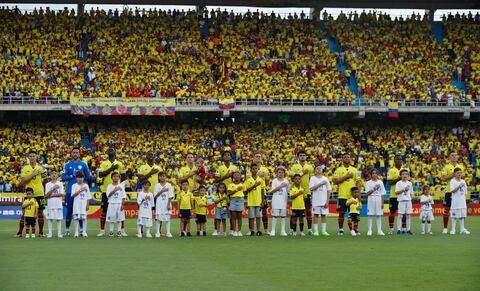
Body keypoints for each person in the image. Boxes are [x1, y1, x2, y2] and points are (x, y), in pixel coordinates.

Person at [16, 150, 46, 237]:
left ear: (36, 157)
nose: (32, 157)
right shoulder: (25, 168)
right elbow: (22, 182)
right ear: (28, 158)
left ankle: (40, 232)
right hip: (29, 194)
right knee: (24, 213)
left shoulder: (40, 168)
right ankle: (20, 232)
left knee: (40, 213)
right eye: (31, 156)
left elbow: (45, 179)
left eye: (34, 156)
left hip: (39, 193)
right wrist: (32, 175)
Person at [97, 148, 127, 237]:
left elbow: (124, 176)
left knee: (120, 210)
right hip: (106, 190)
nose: (110, 152)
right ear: (107, 153)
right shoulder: (103, 163)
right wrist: (111, 169)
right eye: (109, 151)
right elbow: (100, 175)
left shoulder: (120, 163)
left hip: (118, 190)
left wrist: (121, 187)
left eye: (112, 150)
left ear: (115, 152)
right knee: (104, 210)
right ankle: (102, 230)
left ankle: (122, 230)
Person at [61, 146, 90, 237]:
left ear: (79, 154)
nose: (75, 154)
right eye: (74, 152)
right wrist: (72, 176)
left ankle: (81, 230)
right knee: (69, 211)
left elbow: (88, 176)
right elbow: (63, 177)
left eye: (77, 152)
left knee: (81, 211)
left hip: (81, 192)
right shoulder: (67, 164)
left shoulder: (84, 164)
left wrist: (81, 177)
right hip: (70, 191)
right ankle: (67, 230)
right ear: (71, 154)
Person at [333, 154, 358, 236]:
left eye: (348, 157)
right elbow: (335, 182)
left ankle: (354, 230)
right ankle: (341, 229)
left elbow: (358, 182)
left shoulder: (354, 170)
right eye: (345, 157)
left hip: (352, 196)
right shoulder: (338, 170)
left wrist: (358, 193)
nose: (347, 158)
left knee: (353, 213)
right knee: (341, 213)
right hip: (342, 195)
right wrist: (346, 176)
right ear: (342, 159)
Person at [290, 150, 314, 235]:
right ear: (298, 157)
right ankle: (292, 229)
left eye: (304, 155)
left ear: (306, 157)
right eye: (301, 155)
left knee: (308, 211)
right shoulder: (294, 166)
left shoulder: (310, 167)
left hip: (306, 192)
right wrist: (302, 173)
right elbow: (293, 178)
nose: (303, 156)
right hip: (296, 191)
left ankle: (309, 229)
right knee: (294, 212)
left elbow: (311, 179)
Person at [441, 152, 464, 234]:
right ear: (449, 157)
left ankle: (461, 228)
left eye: (455, 155)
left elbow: (462, 178)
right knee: (447, 209)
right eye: (452, 155)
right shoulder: (446, 167)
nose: (454, 157)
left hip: (459, 192)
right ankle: (445, 228)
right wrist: (453, 174)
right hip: (449, 191)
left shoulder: (461, 166)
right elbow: (443, 178)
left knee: (461, 209)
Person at [216, 151, 239, 235]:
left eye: (228, 155)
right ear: (223, 157)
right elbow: (216, 180)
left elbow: (238, 179)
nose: (226, 156)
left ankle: (232, 230)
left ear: (231, 157)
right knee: (219, 211)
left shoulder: (235, 168)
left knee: (232, 212)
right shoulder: (219, 167)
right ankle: (217, 230)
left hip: (232, 192)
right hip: (221, 191)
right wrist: (226, 176)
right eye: (225, 155)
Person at [250, 152, 270, 235]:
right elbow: (248, 180)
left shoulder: (265, 169)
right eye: (256, 157)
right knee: (251, 212)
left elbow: (267, 182)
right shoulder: (249, 169)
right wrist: (258, 174)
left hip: (262, 192)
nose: (258, 158)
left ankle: (265, 230)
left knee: (264, 211)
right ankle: (250, 230)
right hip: (251, 193)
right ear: (253, 158)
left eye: (259, 157)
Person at [309, 165, 331, 236]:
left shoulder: (326, 179)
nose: (318, 170)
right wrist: (320, 184)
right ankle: (316, 231)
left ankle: (324, 231)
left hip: (324, 201)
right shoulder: (312, 178)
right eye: (317, 169)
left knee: (324, 215)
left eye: (320, 169)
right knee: (315, 215)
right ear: (314, 170)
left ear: (322, 170)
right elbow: (311, 188)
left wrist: (327, 202)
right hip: (316, 200)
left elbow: (328, 191)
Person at [387, 155, 406, 235]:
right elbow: (389, 183)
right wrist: (399, 178)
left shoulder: (405, 170)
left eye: (401, 159)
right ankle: (391, 229)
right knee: (392, 212)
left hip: (402, 196)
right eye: (398, 159)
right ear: (394, 161)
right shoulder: (391, 170)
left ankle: (404, 228)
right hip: (393, 195)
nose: (400, 160)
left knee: (403, 212)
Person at [245, 164, 265, 236]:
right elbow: (246, 191)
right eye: (253, 168)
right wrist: (254, 185)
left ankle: (258, 230)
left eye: (256, 168)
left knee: (259, 217)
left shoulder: (261, 180)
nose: (254, 170)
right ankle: (252, 230)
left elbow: (262, 191)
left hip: (258, 201)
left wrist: (263, 201)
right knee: (251, 217)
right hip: (251, 201)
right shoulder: (248, 180)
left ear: (257, 170)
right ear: (250, 170)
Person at [269, 166, 289, 236]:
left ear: (284, 173)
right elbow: (273, 191)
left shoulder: (286, 181)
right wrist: (281, 186)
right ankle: (273, 230)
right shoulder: (274, 180)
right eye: (279, 172)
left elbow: (288, 191)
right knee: (275, 216)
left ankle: (283, 231)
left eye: (282, 172)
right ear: (277, 173)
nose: (281, 174)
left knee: (283, 216)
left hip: (283, 200)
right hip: (276, 200)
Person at [45, 169, 65, 238]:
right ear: (50, 175)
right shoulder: (47, 184)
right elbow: (47, 195)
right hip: (50, 204)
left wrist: (52, 195)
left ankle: (59, 233)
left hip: (58, 204)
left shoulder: (60, 183)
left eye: (55, 173)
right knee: (50, 219)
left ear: (57, 175)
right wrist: (53, 188)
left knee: (59, 219)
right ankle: (50, 233)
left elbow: (62, 194)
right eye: (52, 173)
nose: (53, 175)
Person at [365, 169, 386, 236]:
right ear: (371, 175)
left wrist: (382, 203)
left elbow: (382, 193)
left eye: (375, 173)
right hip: (371, 198)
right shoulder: (368, 183)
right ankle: (369, 230)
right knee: (370, 215)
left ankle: (379, 230)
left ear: (377, 174)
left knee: (378, 215)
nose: (374, 174)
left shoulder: (380, 182)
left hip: (378, 199)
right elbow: (367, 193)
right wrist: (374, 188)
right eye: (373, 173)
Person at [449, 168, 470, 235]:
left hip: (462, 202)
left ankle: (462, 229)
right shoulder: (452, 181)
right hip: (455, 202)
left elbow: (465, 192)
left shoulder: (463, 181)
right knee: (454, 216)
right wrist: (459, 186)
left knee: (462, 216)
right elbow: (452, 191)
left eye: (460, 173)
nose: (459, 174)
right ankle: (453, 230)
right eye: (458, 173)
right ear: (454, 173)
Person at [106, 172, 126, 238]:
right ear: (111, 178)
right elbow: (108, 195)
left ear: (119, 178)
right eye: (114, 176)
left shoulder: (121, 186)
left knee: (119, 219)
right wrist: (114, 190)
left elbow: (123, 197)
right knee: (112, 218)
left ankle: (119, 231)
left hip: (119, 204)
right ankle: (111, 231)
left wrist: (122, 205)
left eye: (117, 176)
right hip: (112, 204)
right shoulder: (109, 186)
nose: (115, 178)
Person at [154, 172, 174, 238]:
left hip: (166, 204)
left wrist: (168, 204)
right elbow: (156, 195)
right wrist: (162, 191)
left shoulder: (169, 185)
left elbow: (171, 196)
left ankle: (168, 232)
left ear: (166, 177)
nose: (162, 177)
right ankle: (157, 232)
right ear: (159, 177)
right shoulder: (157, 185)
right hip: (159, 204)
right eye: (161, 176)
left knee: (167, 218)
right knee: (158, 218)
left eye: (164, 176)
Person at [71, 171, 91, 238]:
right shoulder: (74, 185)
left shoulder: (86, 185)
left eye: (81, 177)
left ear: (83, 177)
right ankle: (76, 232)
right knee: (76, 218)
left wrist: (87, 205)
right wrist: (80, 190)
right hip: (76, 204)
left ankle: (84, 232)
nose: (80, 179)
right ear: (76, 178)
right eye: (78, 177)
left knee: (84, 218)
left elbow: (88, 196)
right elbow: (73, 195)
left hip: (84, 204)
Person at [395, 169, 413, 235]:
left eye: (406, 174)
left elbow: (411, 193)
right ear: (400, 176)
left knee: (408, 215)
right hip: (401, 201)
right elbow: (396, 192)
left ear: (408, 175)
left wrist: (410, 199)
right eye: (403, 174)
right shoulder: (398, 183)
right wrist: (403, 190)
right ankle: (399, 229)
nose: (404, 175)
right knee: (400, 215)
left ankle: (408, 230)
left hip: (408, 201)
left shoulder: (410, 183)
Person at [227, 171, 245, 236]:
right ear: (233, 177)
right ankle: (234, 231)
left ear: (240, 177)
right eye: (235, 175)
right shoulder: (230, 185)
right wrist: (237, 190)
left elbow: (245, 193)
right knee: (233, 217)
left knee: (239, 217)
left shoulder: (243, 184)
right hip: (233, 200)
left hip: (240, 200)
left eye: (238, 175)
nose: (236, 176)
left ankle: (239, 231)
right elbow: (229, 193)